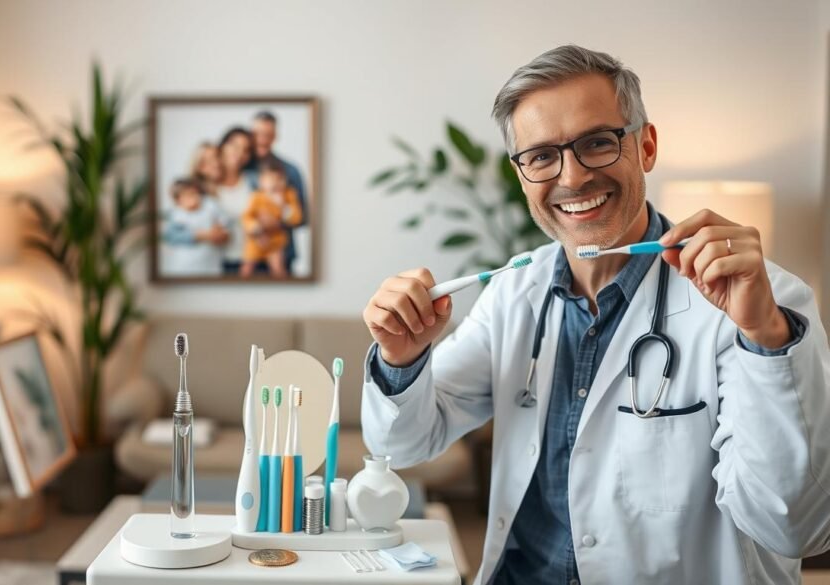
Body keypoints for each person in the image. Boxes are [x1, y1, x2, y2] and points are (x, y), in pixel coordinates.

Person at [360, 45, 830, 584]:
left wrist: (764, 338)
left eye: (598, 143)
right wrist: (401, 356)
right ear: (522, 175)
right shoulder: (515, 292)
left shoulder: (766, 307)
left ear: (645, 145)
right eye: (541, 156)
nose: (573, 177)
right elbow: (402, 443)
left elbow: (797, 526)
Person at [245, 111, 309, 275]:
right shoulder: (241, 168)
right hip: (248, 254)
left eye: (268, 134)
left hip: (282, 253)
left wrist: (277, 221)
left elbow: (303, 217)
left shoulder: (291, 170)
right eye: (257, 134)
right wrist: (256, 226)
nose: (262, 139)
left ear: (275, 136)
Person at [240, 158, 303, 278]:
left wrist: (283, 206)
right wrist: (255, 227)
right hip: (256, 241)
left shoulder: (288, 195)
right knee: (247, 269)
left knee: (278, 269)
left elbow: (297, 218)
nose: (275, 183)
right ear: (261, 181)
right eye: (270, 179)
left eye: (279, 179)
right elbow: (246, 216)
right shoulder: (257, 196)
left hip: (275, 242)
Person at [161, 177, 230, 276]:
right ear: (178, 200)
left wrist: (220, 231)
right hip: (184, 267)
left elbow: (225, 222)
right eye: (187, 195)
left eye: (195, 193)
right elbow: (170, 237)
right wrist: (200, 235)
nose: (194, 197)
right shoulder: (176, 214)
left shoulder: (210, 205)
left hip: (211, 266)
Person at [214, 126, 255, 275]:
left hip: (251, 262)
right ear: (222, 147)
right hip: (215, 263)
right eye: (235, 146)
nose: (240, 154)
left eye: (246, 150)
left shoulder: (254, 181)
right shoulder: (207, 184)